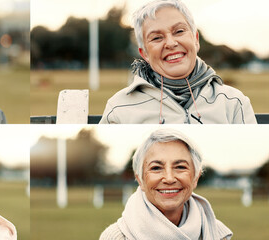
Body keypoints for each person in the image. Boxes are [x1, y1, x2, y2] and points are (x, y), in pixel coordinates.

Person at [99, 0, 256, 124]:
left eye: (179, 31)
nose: (171, 43)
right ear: (145, 54)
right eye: (156, 37)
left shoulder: (234, 102)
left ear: (195, 40)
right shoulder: (119, 108)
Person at [100, 128, 232, 240]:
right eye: (156, 168)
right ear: (140, 180)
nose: (169, 178)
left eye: (180, 167)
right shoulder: (116, 237)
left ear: (195, 178)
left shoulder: (216, 234)